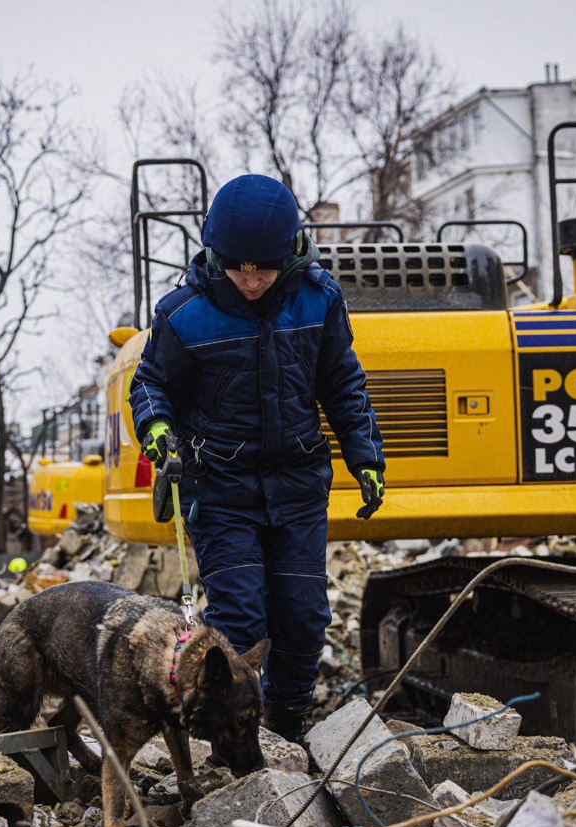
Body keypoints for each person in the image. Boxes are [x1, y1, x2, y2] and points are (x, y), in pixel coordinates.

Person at [129, 174, 385, 742]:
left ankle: (286, 724)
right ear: (216, 255)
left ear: (290, 255)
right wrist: (160, 434)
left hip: (296, 484)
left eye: (262, 269)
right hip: (219, 487)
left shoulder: (320, 300)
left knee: (302, 616)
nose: (249, 280)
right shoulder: (183, 312)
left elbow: (343, 382)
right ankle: (227, 729)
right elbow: (150, 385)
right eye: (237, 267)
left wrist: (365, 454)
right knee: (240, 620)